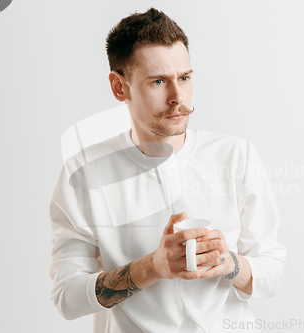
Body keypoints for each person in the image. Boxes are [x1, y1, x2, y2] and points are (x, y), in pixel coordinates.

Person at [49, 7, 286, 333]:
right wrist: (153, 267)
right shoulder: (86, 172)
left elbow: (272, 272)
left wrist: (228, 263)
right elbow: (67, 297)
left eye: (185, 78)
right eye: (159, 81)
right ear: (120, 88)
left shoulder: (236, 156)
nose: (178, 97)